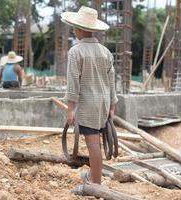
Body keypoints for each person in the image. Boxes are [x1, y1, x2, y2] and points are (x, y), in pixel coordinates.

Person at [61, 6, 118, 194]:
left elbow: (73, 84)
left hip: (87, 105)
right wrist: (112, 107)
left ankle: (96, 186)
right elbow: (112, 82)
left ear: (78, 29)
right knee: (96, 142)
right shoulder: (105, 52)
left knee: (93, 144)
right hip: (102, 104)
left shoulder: (76, 52)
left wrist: (70, 110)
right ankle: (94, 177)